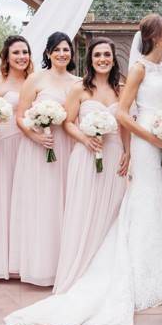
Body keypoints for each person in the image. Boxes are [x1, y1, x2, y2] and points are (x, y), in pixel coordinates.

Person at [4, 14, 162, 325]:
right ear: (154, 36)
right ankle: (114, 267)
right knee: (138, 201)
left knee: (158, 199)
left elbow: (132, 114)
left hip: (153, 142)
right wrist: (149, 139)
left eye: (107, 54)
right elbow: (116, 115)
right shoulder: (123, 75)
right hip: (141, 142)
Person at [51, 37, 130, 294]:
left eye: (107, 54)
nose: (103, 59)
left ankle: (108, 272)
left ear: (113, 57)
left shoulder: (122, 88)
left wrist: (128, 152)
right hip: (86, 156)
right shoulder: (79, 89)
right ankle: (81, 270)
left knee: (113, 211)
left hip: (115, 155)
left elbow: (126, 122)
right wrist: (85, 138)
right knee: (84, 211)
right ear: (90, 59)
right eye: (97, 55)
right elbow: (68, 122)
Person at [9, 32, 79, 286]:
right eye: (57, 49)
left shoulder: (78, 82)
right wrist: (36, 136)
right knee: (42, 203)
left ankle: (65, 264)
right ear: (48, 53)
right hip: (38, 147)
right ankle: (39, 266)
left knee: (65, 201)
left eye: (66, 49)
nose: (62, 53)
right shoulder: (35, 79)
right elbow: (20, 116)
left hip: (67, 146)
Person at [0, 35, 32, 279]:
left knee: (24, 200)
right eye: (16, 53)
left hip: (28, 144)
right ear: (7, 56)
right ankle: (1, 262)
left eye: (25, 52)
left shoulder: (34, 81)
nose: (22, 57)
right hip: (3, 144)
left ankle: (23, 261)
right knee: (2, 199)